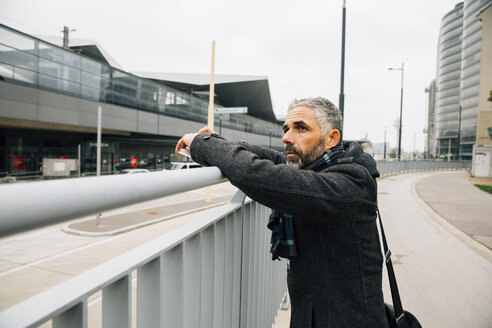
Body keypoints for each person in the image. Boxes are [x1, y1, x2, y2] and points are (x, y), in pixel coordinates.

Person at [176, 97, 388, 328]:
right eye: (286, 128)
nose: (286, 137)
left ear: (331, 138)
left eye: (300, 128)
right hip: (315, 315)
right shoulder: (318, 167)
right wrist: (215, 142)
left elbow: (259, 174)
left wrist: (203, 143)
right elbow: (273, 158)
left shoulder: (351, 182)